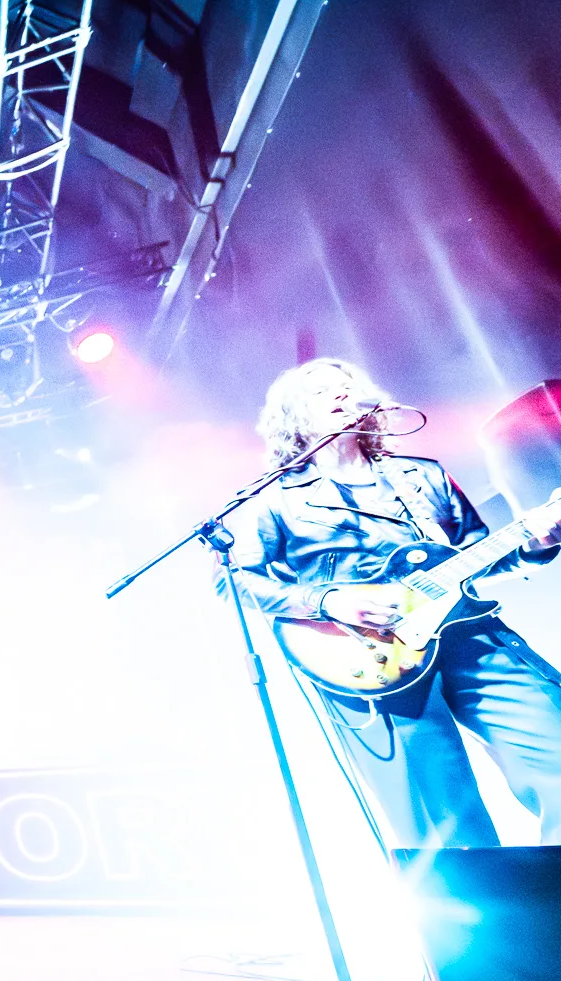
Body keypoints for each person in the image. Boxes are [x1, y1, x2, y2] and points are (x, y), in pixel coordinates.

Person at [232, 359, 561, 848]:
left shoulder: (423, 477)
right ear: (293, 418)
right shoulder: (275, 500)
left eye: (348, 387)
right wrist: (328, 600)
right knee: (443, 822)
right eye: (322, 392)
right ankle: (486, 900)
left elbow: (476, 555)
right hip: (369, 657)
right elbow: (236, 582)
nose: (341, 395)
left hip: (468, 635)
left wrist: (536, 542)